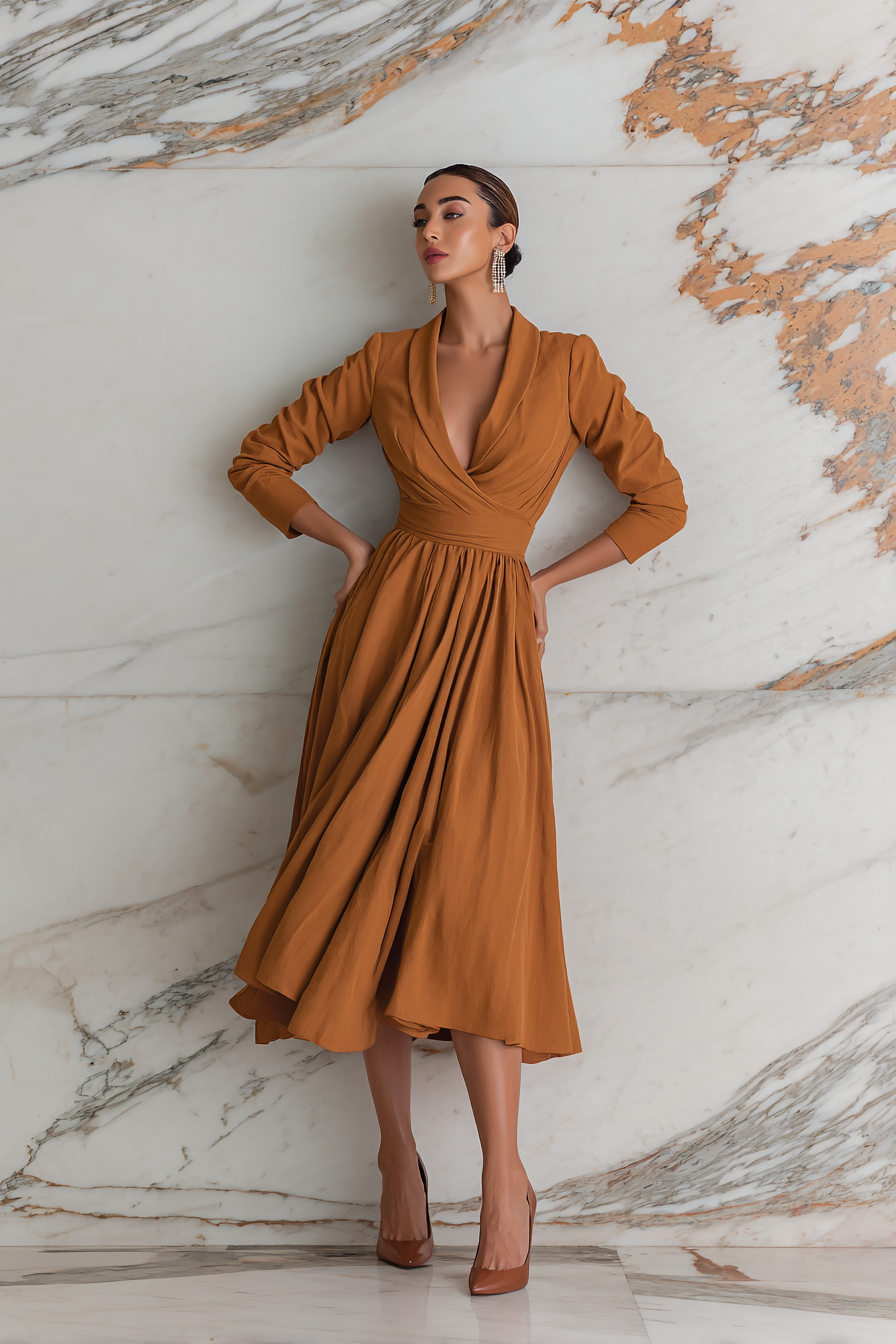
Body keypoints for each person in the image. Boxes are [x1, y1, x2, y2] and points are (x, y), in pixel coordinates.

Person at [227, 164, 687, 1295]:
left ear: (502, 237)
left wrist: (546, 579)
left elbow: (661, 500)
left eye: (451, 214)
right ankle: (396, 1163)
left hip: (490, 641)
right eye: (420, 217)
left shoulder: (568, 364)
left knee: (476, 907)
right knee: (366, 900)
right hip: (381, 642)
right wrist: (346, 546)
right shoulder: (387, 360)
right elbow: (256, 458)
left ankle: (505, 1181)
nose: (429, 231)